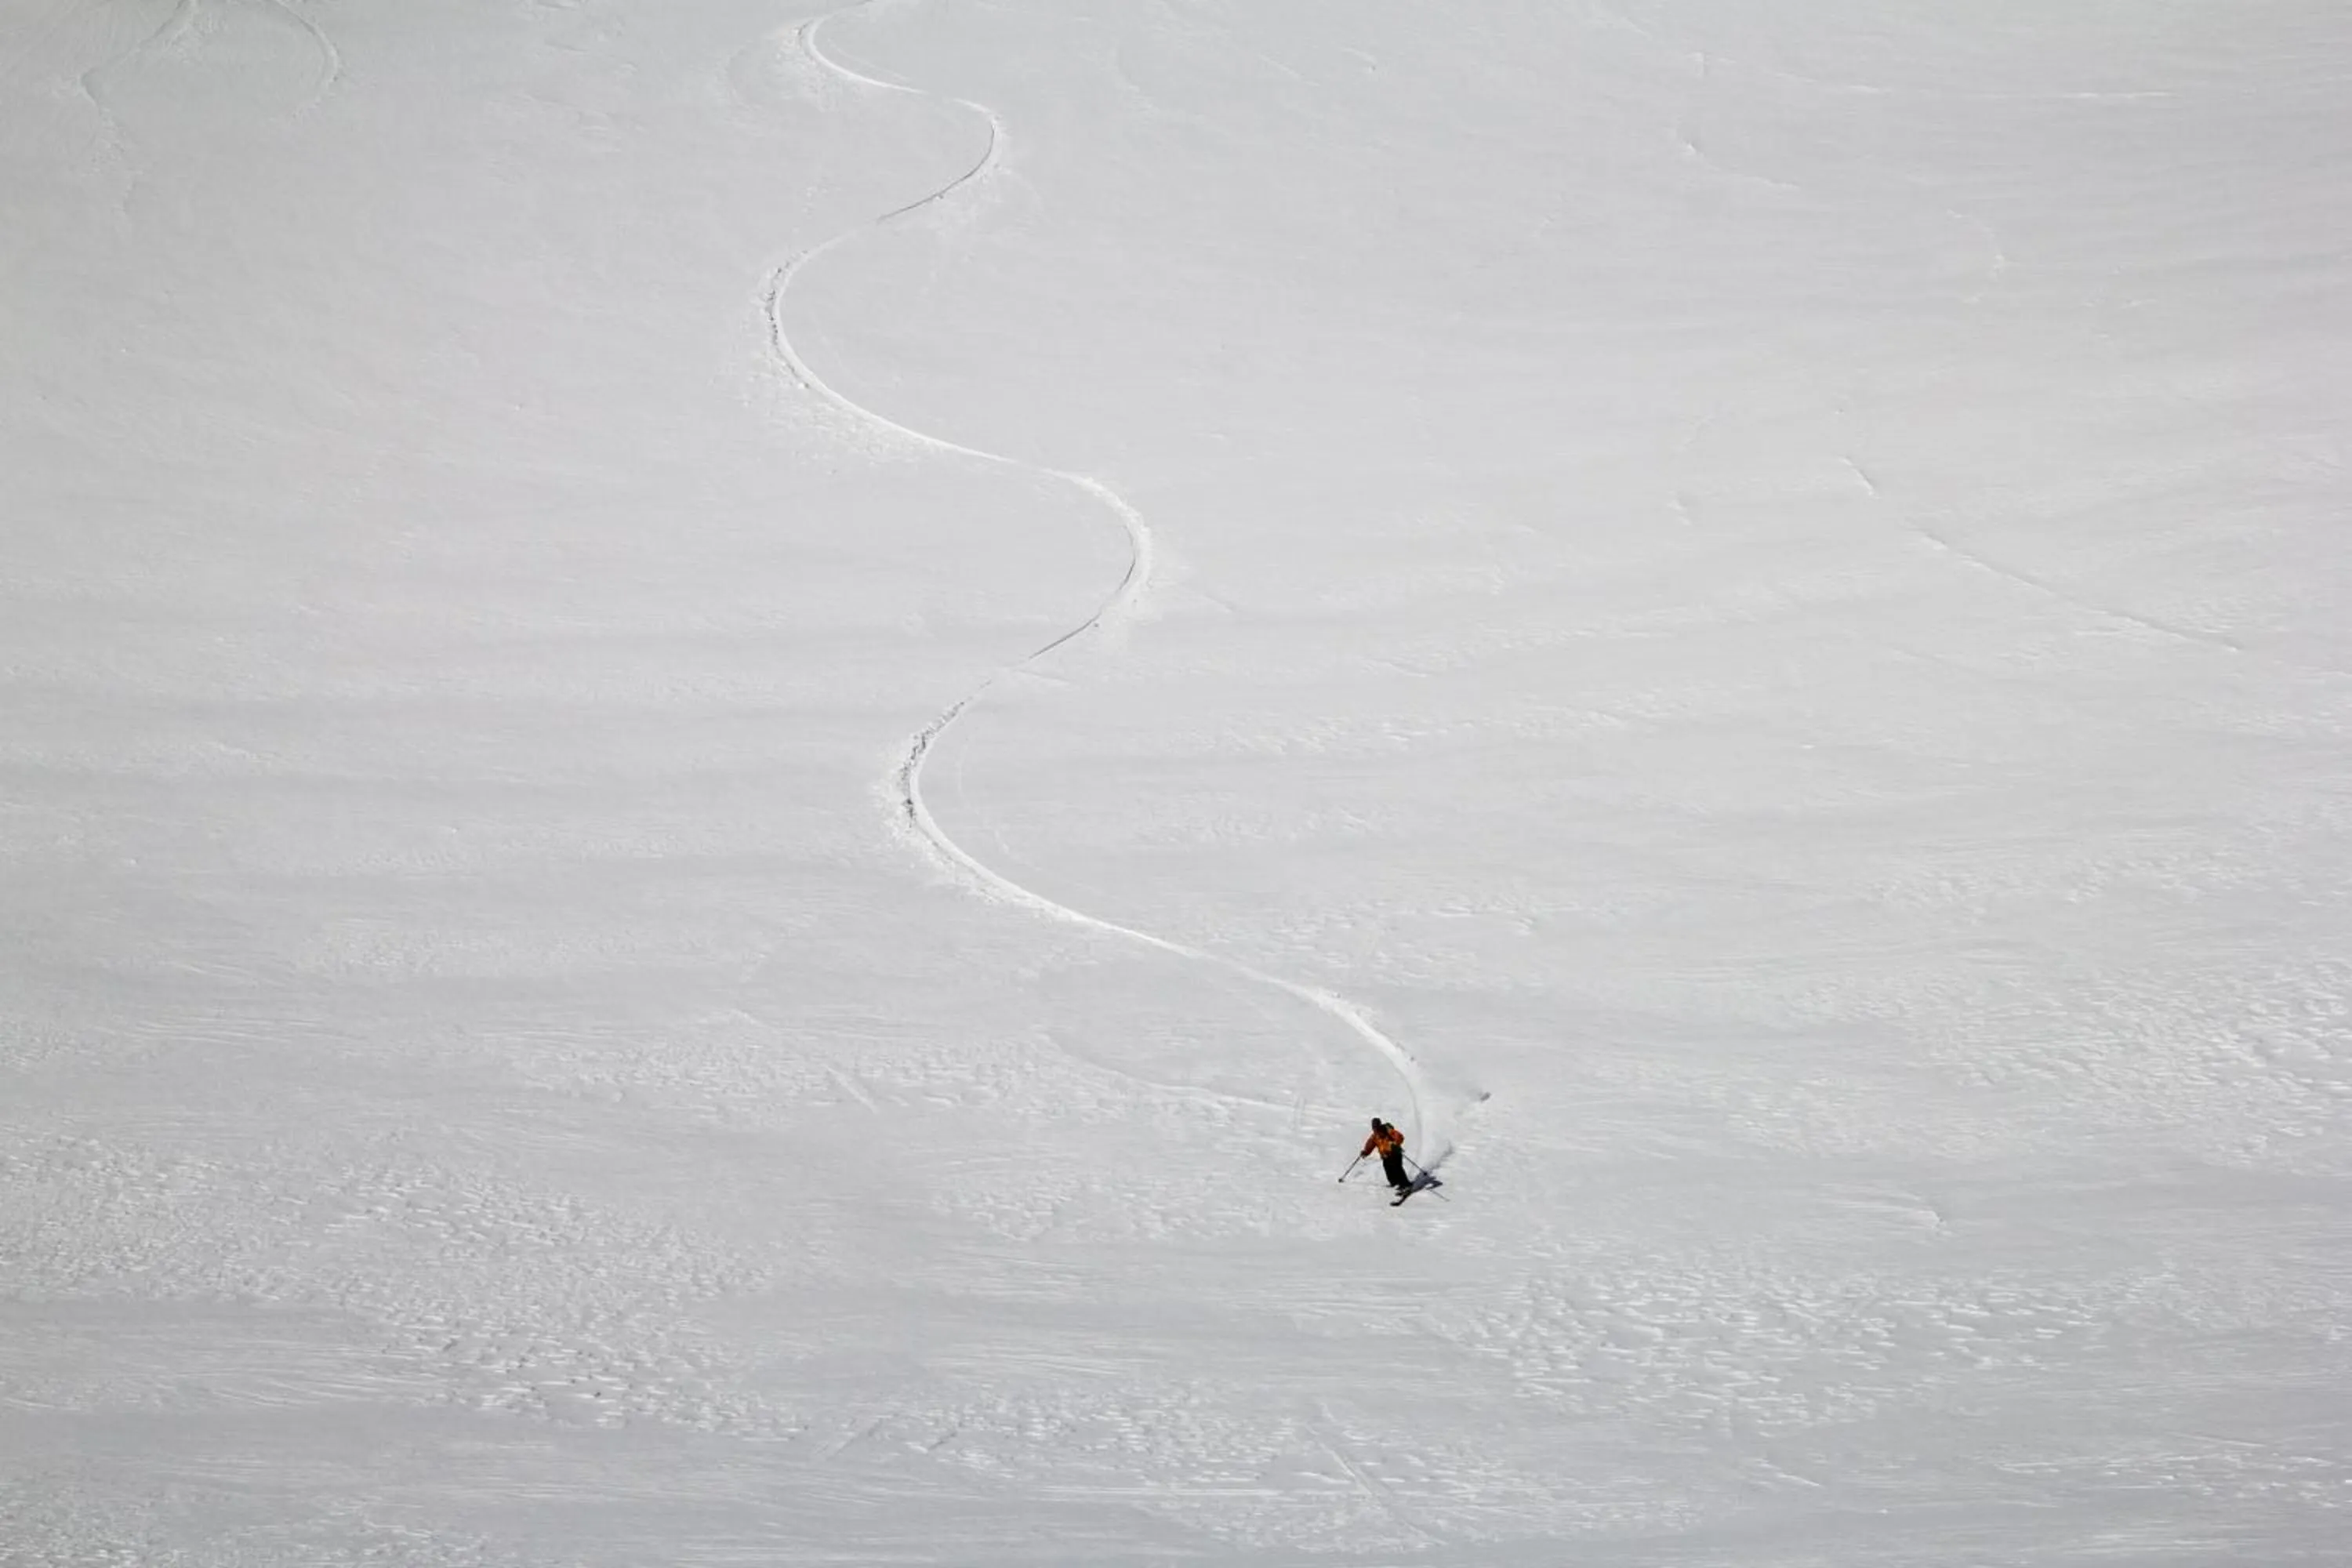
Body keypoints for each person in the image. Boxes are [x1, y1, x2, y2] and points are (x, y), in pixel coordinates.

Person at [1361, 1116, 1411, 1195]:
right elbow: (1370, 1145)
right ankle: (1395, 1183)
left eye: (1376, 1127)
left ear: (1380, 1125)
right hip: (1385, 1156)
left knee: (1397, 1169)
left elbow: (1400, 1137)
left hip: (1395, 1153)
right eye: (1374, 1127)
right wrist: (1365, 1152)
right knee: (1388, 1170)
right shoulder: (1375, 1136)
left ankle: (1405, 1185)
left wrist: (1395, 1144)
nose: (1375, 1129)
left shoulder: (1388, 1131)